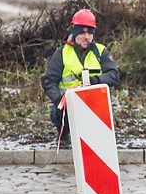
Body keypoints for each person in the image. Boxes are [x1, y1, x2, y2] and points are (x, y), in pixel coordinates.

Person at [41, 9, 120, 139]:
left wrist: (94, 81)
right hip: (69, 106)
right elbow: (49, 81)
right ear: (74, 32)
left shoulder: (100, 51)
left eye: (90, 32)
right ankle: (65, 134)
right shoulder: (61, 53)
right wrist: (58, 101)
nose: (87, 37)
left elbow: (114, 75)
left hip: (95, 106)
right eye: (82, 32)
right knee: (57, 113)